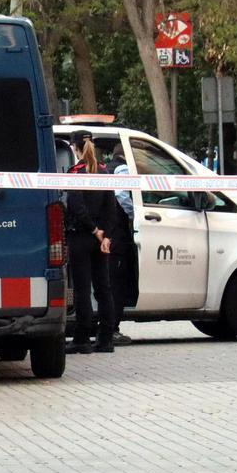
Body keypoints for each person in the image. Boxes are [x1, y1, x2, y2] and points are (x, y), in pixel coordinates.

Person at [65, 140, 118, 354]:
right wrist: (106, 235)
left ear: (75, 148)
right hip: (101, 240)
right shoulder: (104, 173)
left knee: (82, 289)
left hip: (82, 237)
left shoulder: (75, 173)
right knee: (103, 288)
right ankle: (106, 339)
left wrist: (94, 229)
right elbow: (111, 208)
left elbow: (75, 206)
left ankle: (82, 338)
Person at [104, 144, 137, 345]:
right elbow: (123, 196)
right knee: (117, 284)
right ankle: (112, 328)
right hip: (118, 234)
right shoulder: (122, 169)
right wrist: (136, 215)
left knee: (108, 282)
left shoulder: (106, 167)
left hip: (107, 233)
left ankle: (108, 327)